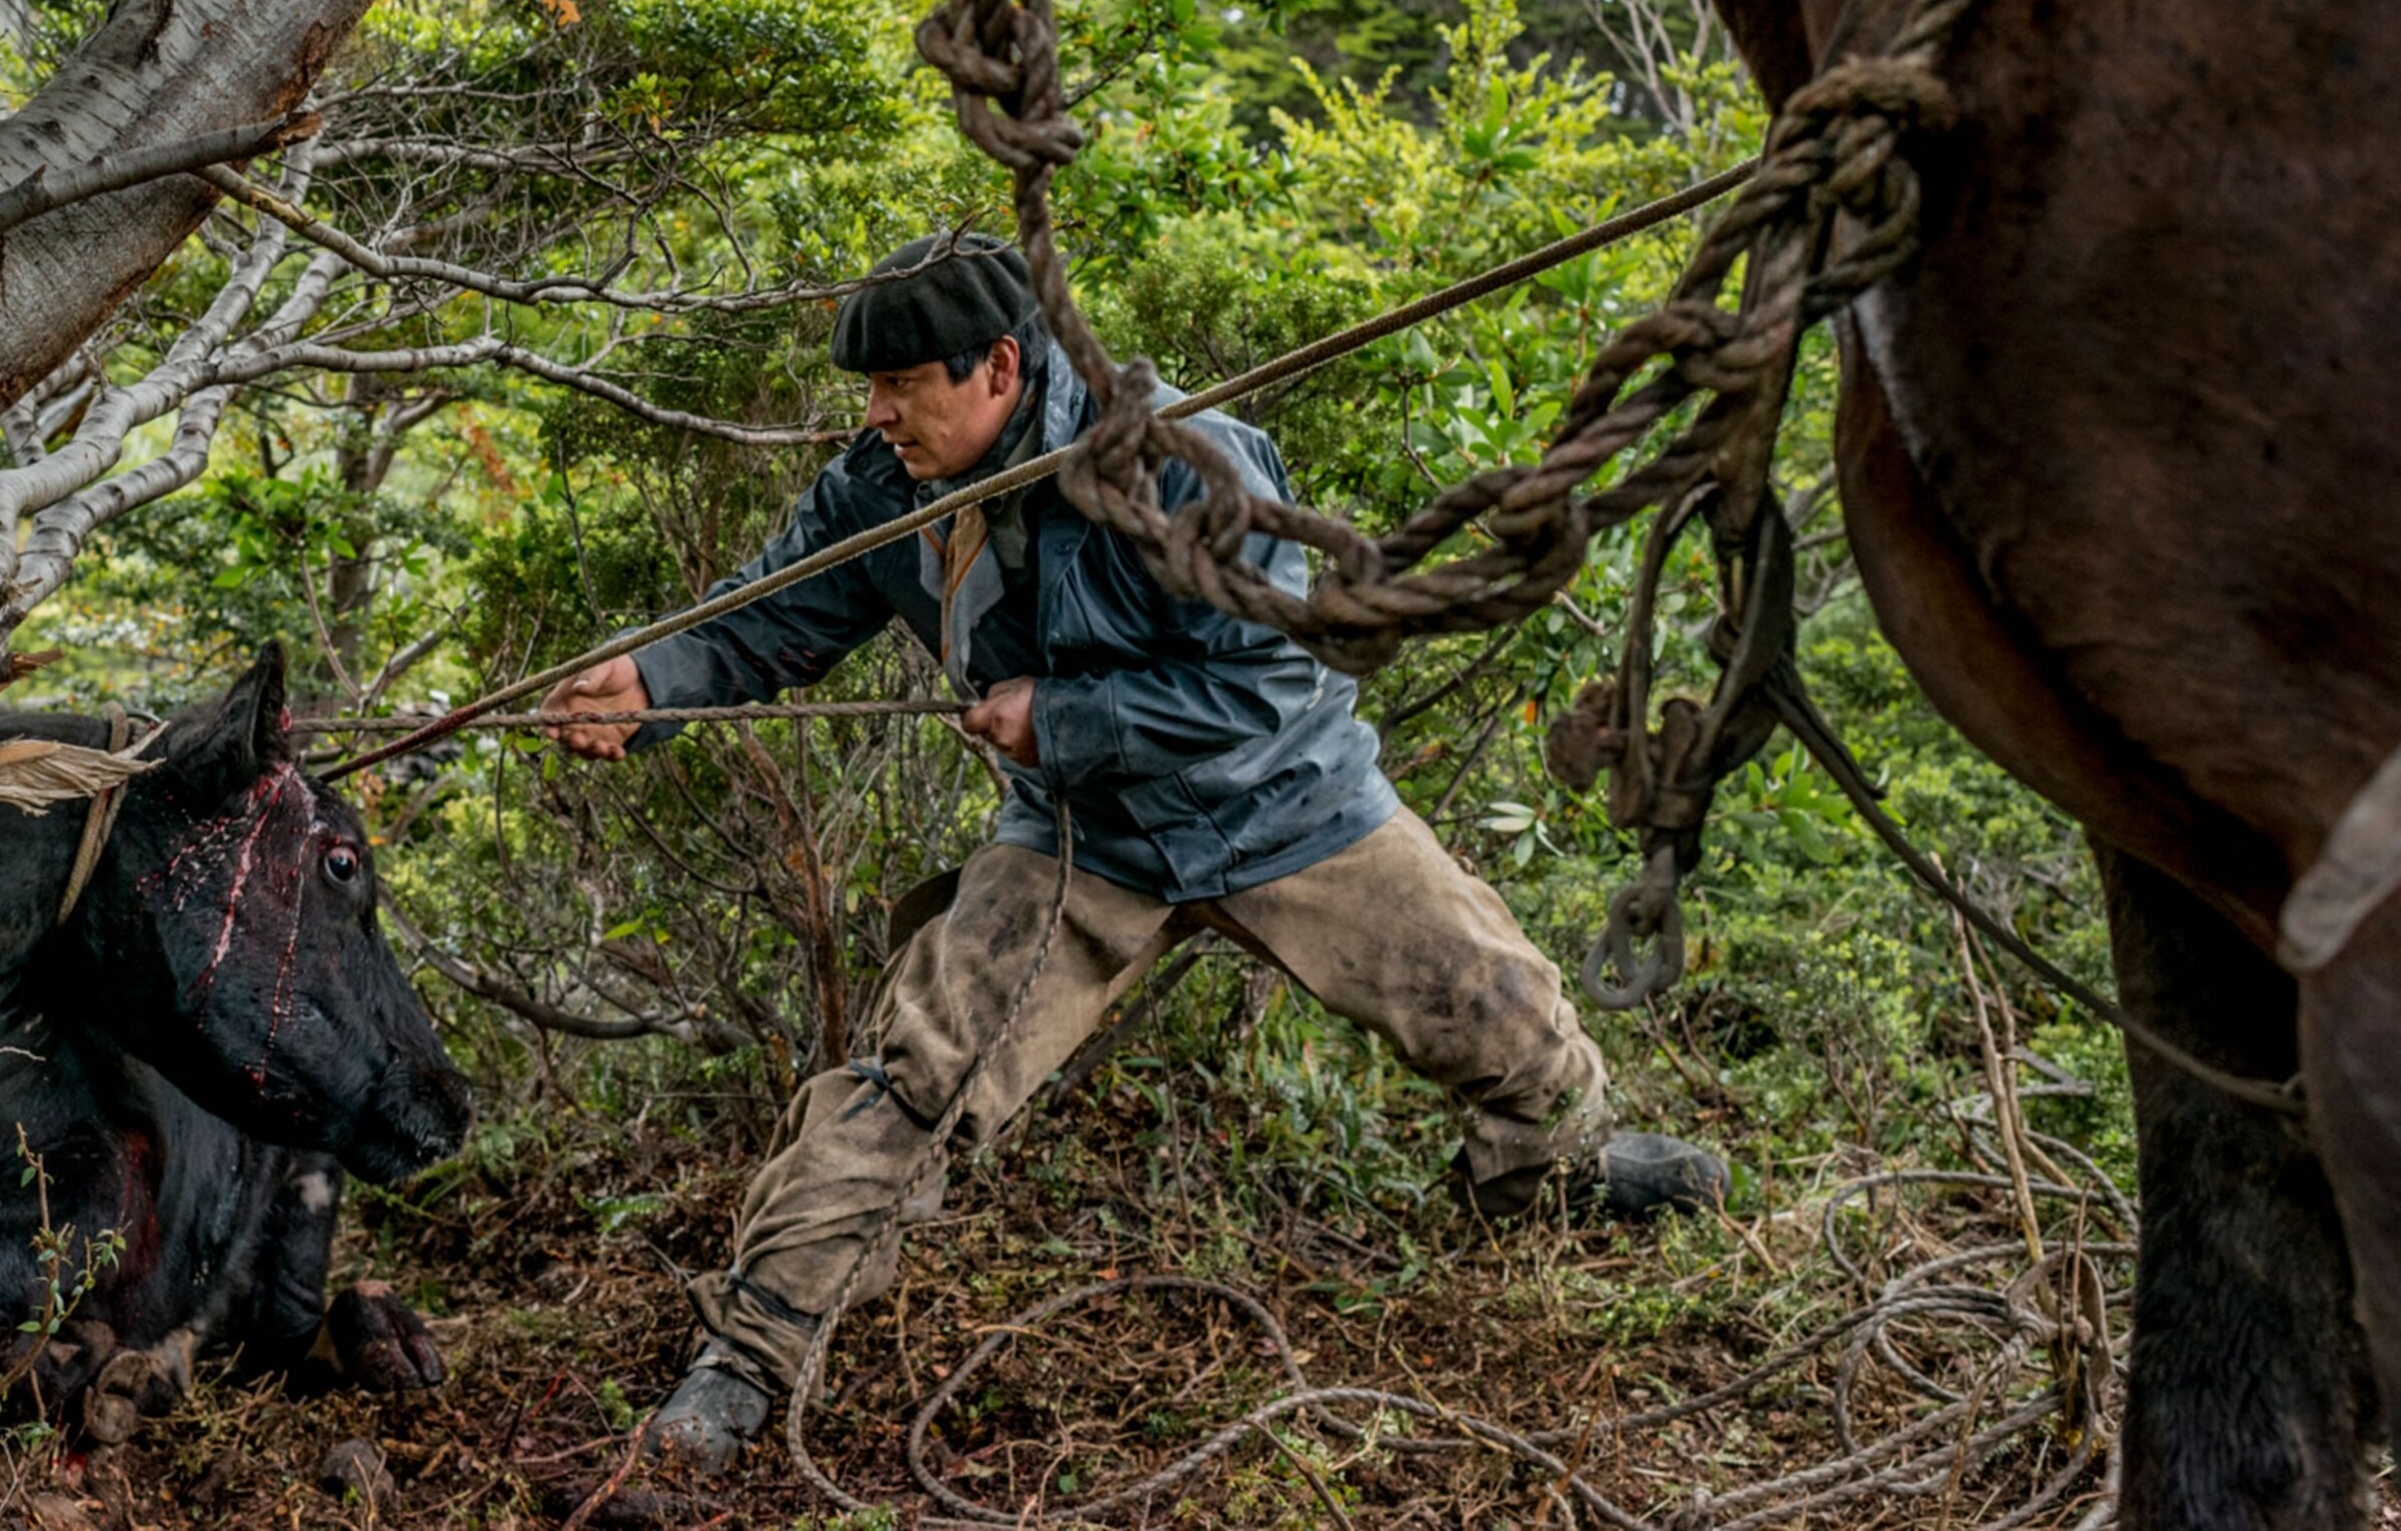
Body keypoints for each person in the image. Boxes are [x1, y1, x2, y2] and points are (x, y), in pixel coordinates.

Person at [541, 232, 1724, 1472]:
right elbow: (774, 616)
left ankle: (1558, 1180)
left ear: (998, 366)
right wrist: (654, 678)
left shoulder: (1178, 461)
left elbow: (1266, 687)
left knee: (1506, 1015)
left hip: (1283, 801)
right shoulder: (883, 487)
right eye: (871, 390)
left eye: (904, 385)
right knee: (916, 1078)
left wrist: (1063, 716)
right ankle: (744, 1362)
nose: (878, 413)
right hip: (1076, 838)